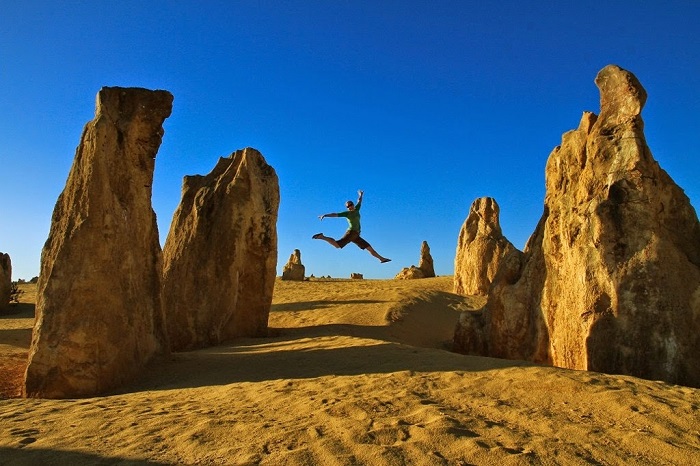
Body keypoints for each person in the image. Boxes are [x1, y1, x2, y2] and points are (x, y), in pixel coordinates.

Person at [312, 190, 391, 263]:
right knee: (337, 245)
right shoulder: (347, 213)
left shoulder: (357, 209)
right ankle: (322, 237)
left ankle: (382, 259)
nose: (349, 207)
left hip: (356, 236)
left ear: (353, 204)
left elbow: (359, 201)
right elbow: (335, 214)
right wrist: (325, 215)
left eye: (350, 204)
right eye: (348, 206)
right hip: (351, 233)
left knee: (369, 247)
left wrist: (361, 195)